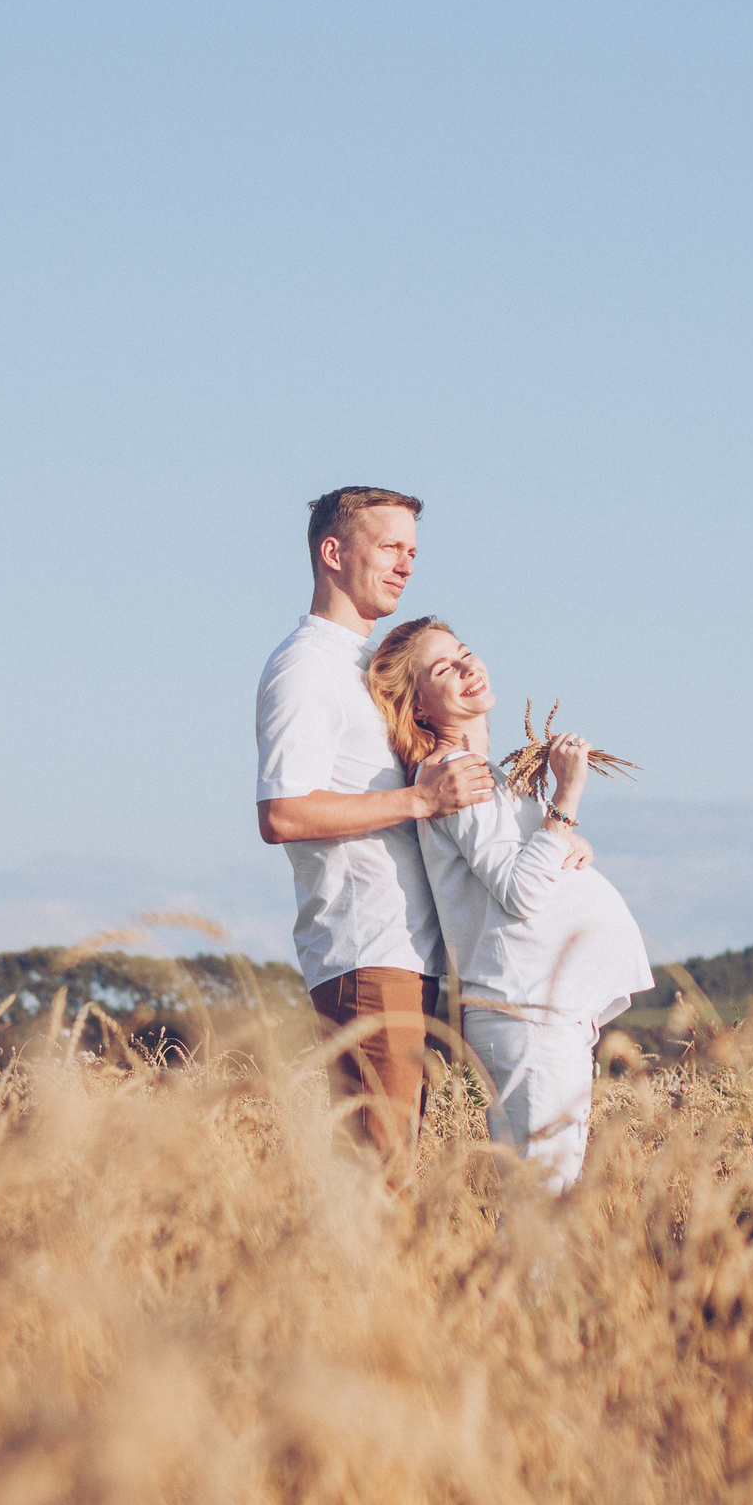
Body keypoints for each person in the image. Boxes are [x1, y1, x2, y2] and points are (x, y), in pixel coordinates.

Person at [365, 617, 653, 1188]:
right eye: (444, 667)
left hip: (543, 1014)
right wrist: (567, 798)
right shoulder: (455, 774)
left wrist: (563, 836)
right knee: (542, 1214)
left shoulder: (484, 778)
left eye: (466, 653)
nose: (469, 667)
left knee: (542, 1207)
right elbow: (520, 893)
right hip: (530, 1014)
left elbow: (521, 873)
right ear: (419, 707)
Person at [255, 487, 493, 1156]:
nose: (406, 565)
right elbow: (282, 811)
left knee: (395, 1180)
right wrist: (419, 802)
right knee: (379, 1187)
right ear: (333, 552)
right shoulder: (305, 668)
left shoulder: (370, 665)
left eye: (412, 551)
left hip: (413, 958)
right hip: (365, 953)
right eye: (389, 546)